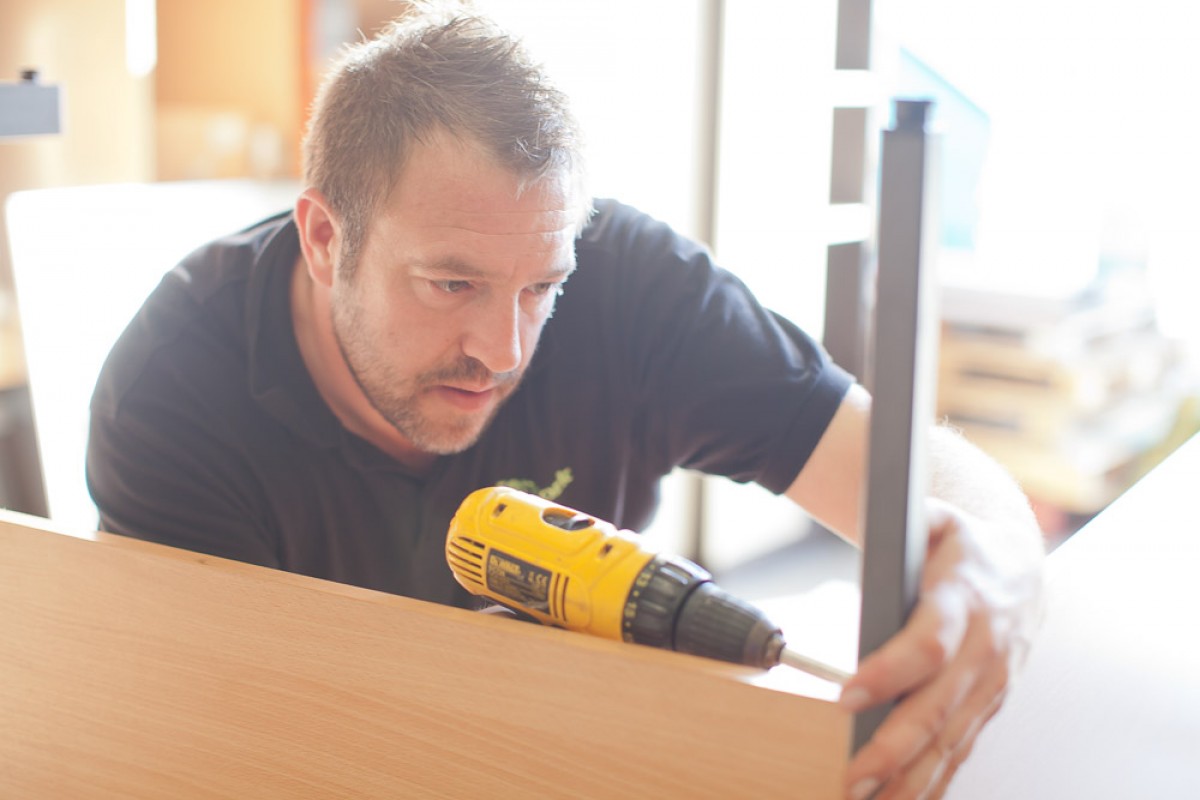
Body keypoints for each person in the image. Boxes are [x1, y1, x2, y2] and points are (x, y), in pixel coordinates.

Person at [86, 5, 1043, 799]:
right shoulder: (172, 396)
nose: (503, 353)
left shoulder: (634, 287)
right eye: (452, 284)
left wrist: (998, 562)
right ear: (326, 238)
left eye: (542, 287)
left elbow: (904, 470)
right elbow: (216, 755)